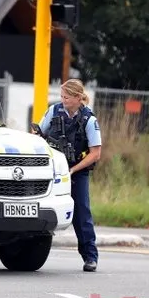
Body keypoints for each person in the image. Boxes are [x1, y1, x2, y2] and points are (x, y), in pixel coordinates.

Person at [36, 79, 102, 272]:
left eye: (66, 97)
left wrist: (73, 170)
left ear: (77, 97)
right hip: (54, 169)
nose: (62, 100)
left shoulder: (89, 120)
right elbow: (39, 135)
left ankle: (90, 256)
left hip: (77, 171)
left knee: (82, 213)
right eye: (62, 96)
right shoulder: (53, 111)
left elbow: (95, 153)